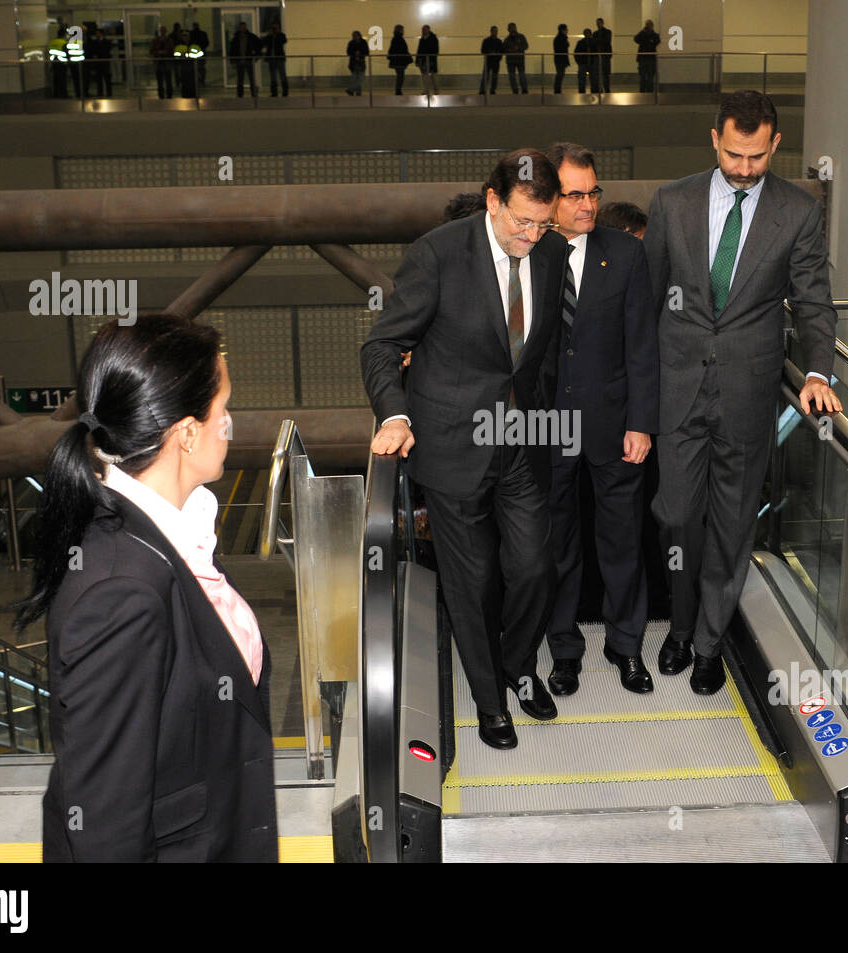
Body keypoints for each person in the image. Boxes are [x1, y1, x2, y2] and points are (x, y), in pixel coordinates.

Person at [13, 314, 278, 861]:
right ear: (185, 433)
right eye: (222, 410)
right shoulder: (121, 594)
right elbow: (106, 825)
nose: (229, 424)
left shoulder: (166, 531)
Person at [360, 150, 569, 750]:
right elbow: (382, 346)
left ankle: (518, 665)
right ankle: (489, 701)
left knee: (534, 566)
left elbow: (544, 352)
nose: (532, 236)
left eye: (542, 224)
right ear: (492, 201)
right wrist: (395, 413)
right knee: (471, 580)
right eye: (521, 222)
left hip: (523, 440)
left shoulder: (552, 255)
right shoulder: (439, 254)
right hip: (453, 447)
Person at [643, 90, 840, 695]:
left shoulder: (799, 212)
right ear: (714, 140)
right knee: (677, 518)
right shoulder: (671, 203)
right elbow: (645, 301)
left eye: (756, 157)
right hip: (677, 389)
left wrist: (815, 371)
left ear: (776, 145)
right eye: (734, 154)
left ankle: (706, 643)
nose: (744, 168)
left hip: (749, 393)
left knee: (732, 523)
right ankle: (678, 624)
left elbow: (813, 302)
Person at [543, 143, 658, 697]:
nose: (588, 205)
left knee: (622, 540)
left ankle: (627, 646)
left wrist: (642, 422)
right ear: (550, 196)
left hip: (614, 424)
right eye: (575, 195)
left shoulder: (627, 254)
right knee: (555, 544)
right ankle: (564, 651)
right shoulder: (529, 250)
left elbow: (642, 346)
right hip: (543, 430)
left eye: (594, 193)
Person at [228, 20, 261, 97]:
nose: (243, 28)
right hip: (239, 61)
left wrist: (257, 55)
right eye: (242, 27)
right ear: (239, 28)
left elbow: (259, 44)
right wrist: (232, 60)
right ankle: (240, 95)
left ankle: (254, 94)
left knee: (251, 79)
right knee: (240, 80)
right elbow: (232, 50)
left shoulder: (251, 37)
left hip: (248, 61)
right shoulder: (236, 38)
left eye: (244, 27)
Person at [173, 29, 202, 98]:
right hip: (183, 68)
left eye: (187, 36)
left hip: (193, 68)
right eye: (184, 36)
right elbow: (176, 55)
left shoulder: (195, 46)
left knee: (193, 84)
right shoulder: (179, 47)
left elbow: (200, 54)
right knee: (185, 84)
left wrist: (187, 55)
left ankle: (194, 98)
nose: (185, 38)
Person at [503, 22, 528, 94]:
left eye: (513, 28)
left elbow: (526, 46)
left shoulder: (521, 37)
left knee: (522, 76)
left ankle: (524, 90)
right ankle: (515, 91)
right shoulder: (507, 39)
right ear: (508, 30)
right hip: (511, 61)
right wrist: (509, 50)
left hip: (520, 60)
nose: (512, 29)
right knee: (512, 77)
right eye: (511, 28)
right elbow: (503, 49)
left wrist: (518, 48)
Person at [634, 20, 659, 93]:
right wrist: (642, 31)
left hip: (650, 59)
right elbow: (636, 39)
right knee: (642, 76)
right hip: (643, 58)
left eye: (649, 25)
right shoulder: (642, 34)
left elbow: (656, 42)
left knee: (650, 76)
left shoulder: (655, 35)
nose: (648, 26)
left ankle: (650, 91)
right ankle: (642, 91)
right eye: (647, 25)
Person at [86, 28, 112, 98]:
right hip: (98, 63)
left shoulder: (106, 42)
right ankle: (100, 92)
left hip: (105, 62)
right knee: (99, 79)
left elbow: (107, 51)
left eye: (98, 33)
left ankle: (109, 93)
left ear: (101, 34)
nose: (97, 34)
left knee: (107, 78)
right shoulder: (95, 42)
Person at [265, 20, 288, 96]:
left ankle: (285, 92)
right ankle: (274, 92)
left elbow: (284, 41)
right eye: (273, 28)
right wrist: (269, 35)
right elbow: (265, 43)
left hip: (279, 58)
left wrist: (278, 34)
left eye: (276, 28)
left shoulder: (281, 35)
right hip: (271, 59)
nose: (274, 30)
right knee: (273, 77)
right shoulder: (269, 36)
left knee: (282, 75)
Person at [150, 24, 173, 98]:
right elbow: (151, 51)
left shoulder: (169, 40)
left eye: (163, 30)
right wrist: (158, 52)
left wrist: (166, 52)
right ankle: (161, 95)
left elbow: (172, 51)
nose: (162, 32)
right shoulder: (155, 40)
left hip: (167, 63)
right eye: (161, 30)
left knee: (168, 81)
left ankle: (169, 95)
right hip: (159, 63)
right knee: (160, 81)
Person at [387, 24, 411, 94]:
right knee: (400, 75)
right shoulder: (399, 38)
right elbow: (402, 49)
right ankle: (398, 89)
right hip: (400, 60)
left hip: (397, 60)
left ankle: (398, 89)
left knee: (400, 75)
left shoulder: (395, 38)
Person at [480, 26, 503, 94]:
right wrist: (490, 53)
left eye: (496, 31)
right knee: (485, 76)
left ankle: (492, 90)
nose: (495, 32)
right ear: (491, 31)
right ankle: (483, 90)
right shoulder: (486, 41)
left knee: (494, 77)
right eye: (493, 31)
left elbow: (501, 51)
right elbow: (483, 50)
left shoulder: (499, 41)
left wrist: (498, 57)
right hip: (488, 61)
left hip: (495, 61)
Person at [417, 24, 438, 94]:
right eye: (422, 30)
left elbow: (435, 50)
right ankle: (426, 90)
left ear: (428, 30)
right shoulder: (422, 39)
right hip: (423, 60)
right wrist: (418, 60)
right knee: (424, 75)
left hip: (431, 60)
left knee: (433, 76)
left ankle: (435, 89)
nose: (423, 31)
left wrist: (432, 59)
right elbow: (419, 50)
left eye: (424, 29)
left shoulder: (433, 38)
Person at [593, 17, 613, 92]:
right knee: (599, 74)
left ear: (602, 23)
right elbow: (595, 43)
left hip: (605, 55)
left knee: (605, 74)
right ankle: (600, 90)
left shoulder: (607, 32)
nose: (598, 25)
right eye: (597, 23)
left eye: (599, 23)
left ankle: (607, 89)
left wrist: (598, 41)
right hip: (599, 56)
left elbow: (607, 42)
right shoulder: (595, 33)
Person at [346, 30, 368, 96]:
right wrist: (354, 53)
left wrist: (360, 53)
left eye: (355, 36)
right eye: (353, 36)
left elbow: (366, 52)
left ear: (359, 36)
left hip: (361, 63)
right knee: (354, 79)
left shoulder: (363, 42)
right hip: (353, 63)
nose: (354, 37)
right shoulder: (351, 43)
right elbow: (348, 52)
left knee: (360, 79)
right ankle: (355, 91)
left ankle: (352, 90)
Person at [575, 28, 597, 93]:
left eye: (588, 33)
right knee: (584, 80)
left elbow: (576, 54)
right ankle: (584, 92)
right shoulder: (581, 42)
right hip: (584, 64)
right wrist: (579, 62)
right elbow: (576, 54)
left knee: (593, 80)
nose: (587, 35)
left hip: (590, 63)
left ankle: (591, 92)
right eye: (586, 33)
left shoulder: (593, 42)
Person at [191, 21, 210, 87]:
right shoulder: (202, 33)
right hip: (201, 52)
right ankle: (201, 80)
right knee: (201, 67)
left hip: (195, 52)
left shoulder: (192, 34)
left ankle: (199, 80)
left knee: (198, 67)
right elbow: (207, 43)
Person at [553, 24, 570, 94]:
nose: (567, 31)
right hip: (561, 59)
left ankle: (557, 89)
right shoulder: (562, 38)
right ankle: (557, 89)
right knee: (560, 74)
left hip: (559, 59)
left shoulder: (558, 38)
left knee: (560, 74)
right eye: (566, 29)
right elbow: (562, 48)